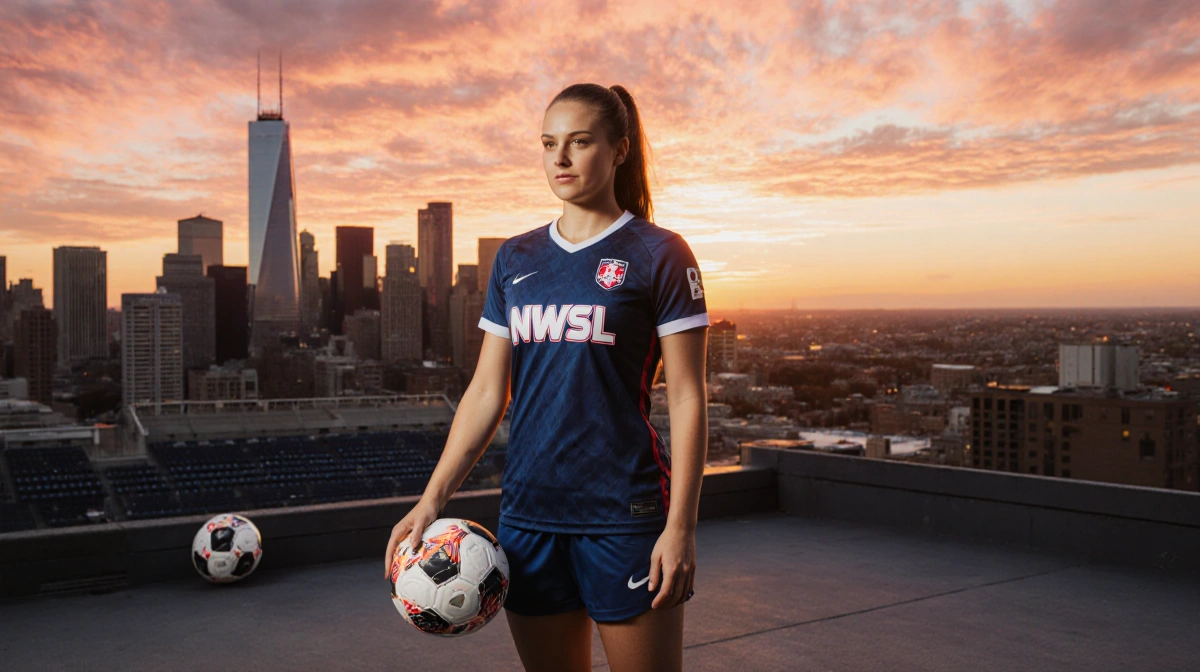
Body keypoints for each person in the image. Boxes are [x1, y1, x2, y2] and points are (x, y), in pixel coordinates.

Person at [384, 83, 709, 672]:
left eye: (579, 142)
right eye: (548, 143)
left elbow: (687, 396)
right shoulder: (516, 258)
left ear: (619, 150)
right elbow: (487, 392)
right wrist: (432, 500)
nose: (559, 158)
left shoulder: (659, 253)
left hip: (624, 514)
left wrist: (681, 527)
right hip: (529, 516)